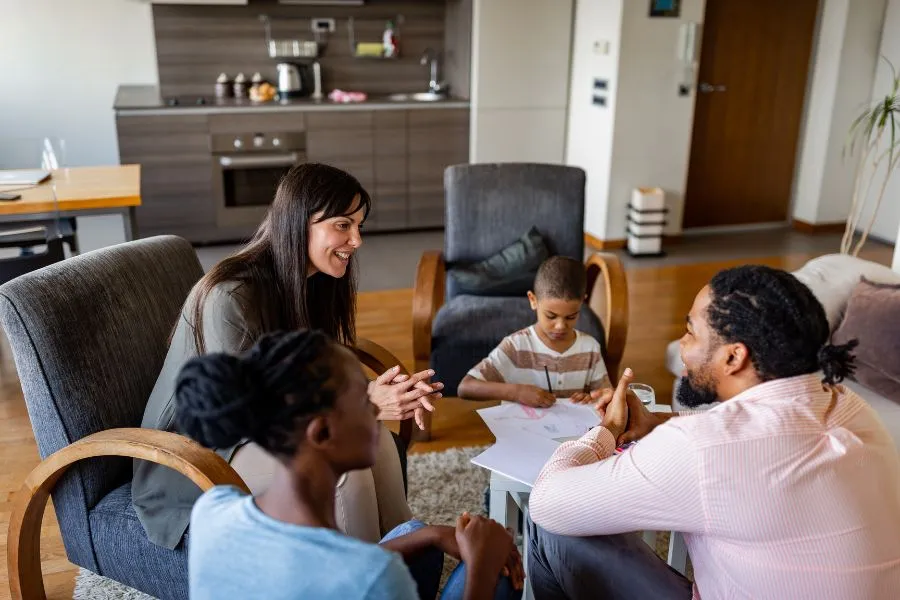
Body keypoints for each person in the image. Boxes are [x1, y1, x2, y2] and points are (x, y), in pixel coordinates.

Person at [527, 264, 900, 600]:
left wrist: (606, 430)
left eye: (690, 331)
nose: (682, 346)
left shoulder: (702, 448)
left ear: (734, 357)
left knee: (553, 527)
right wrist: (658, 424)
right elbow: (750, 444)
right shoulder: (847, 405)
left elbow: (548, 500)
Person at [133, 163, 441, 549]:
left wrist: (383, 393)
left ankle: (408, 549)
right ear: (299, 223)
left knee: (374, 437)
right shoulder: (231, 296)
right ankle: (365, 578)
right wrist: (365, 403)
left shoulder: (313, 283)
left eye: (358, 225)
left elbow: (311, 377)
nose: (357, 240)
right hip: (202, 450)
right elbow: (246, 413)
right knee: (343, 471)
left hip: (270, 427)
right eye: (343, 225)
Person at [181, 329, 523, 600]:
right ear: (322, 431)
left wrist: (430, 535)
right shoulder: (371, 578)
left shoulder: (212, 510)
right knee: (495, 576)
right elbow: (358, 577)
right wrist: (482, 566)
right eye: (364, 399)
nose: (377, 412)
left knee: (415, 535)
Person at [458, 256, 610, 407]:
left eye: (571, 317)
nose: (560, 326)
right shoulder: (516, 346)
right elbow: (466, 387)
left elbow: (605, 396)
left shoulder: (590, 348)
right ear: (533, 300)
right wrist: (517, 392)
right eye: (551, 316)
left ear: (582, 302)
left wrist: (590, 398)